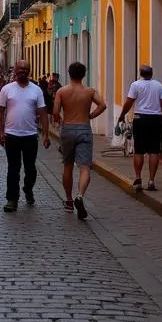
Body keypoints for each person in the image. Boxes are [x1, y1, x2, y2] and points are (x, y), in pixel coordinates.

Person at [52, 62, 106, 220]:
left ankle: (69, 200)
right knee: (84, 167)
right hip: (84, 128)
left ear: (69, 73)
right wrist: (91, 116)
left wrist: (59, 119)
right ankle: (80, 196)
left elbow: (55, 111)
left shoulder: (62, 91)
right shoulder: (89, 91)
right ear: (84, 74)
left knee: (67, 166)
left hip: (68, 129)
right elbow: (102, 105)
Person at [0, 59, 49, 212]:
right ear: (15, 70)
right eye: (19, 69)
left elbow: (43, 113)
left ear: (29, 71)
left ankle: (28, 188)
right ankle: (12, 199)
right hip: (11, 135)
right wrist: (0, 131)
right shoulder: (7, 89)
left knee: (30, 168)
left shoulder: (36, 90)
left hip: (30, 135)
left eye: (25, 69)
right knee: (13, 168)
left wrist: (45, 134)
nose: (22, 72)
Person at [117, 64, 162, 191]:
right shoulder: (159, 86)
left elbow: (128, 103)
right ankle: (151, 181)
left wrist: (121, 115)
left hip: (140, 119)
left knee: (139, 150)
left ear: (140, 73)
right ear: (151, 74)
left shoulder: (135, 85)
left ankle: (138, 178)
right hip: (156, 120)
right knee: (154, 151)